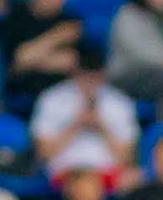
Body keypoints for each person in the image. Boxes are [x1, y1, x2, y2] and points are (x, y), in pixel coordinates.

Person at [33, 45, 141, 180]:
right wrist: (76, 125)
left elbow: (125, 157)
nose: (90, 82)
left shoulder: (119, 102)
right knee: (84, 185)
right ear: (75, 72)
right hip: (66, 172)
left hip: (107, 172)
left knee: (135, 178)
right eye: (85, 76)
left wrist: (101, 127)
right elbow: (44, 153)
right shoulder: (52, 98)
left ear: (102, 74)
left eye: (95, 76)